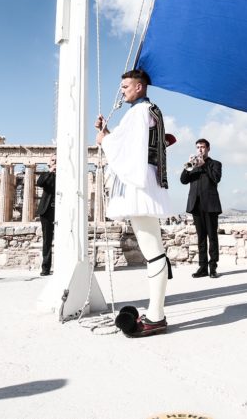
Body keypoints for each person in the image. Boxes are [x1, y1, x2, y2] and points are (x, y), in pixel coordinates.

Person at [95, 69, 175, 337]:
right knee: (154, 250)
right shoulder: (148, 110)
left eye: (126, 86)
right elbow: (130, 143)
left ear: (139, 87)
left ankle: (156, 316)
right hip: (147, 182)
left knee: (153, 252)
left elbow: (129, 150)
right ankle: (156, 312)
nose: (122, 91)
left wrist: (104, 139)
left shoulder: (139, 112)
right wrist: (108, 134)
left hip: (140, 187)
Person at [181, 138, 223, 278]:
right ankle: (203, 268)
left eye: (203, 147)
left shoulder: (215, 164)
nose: (200, 149)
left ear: (208, 149)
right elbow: (183, 180)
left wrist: (204, 165)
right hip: (196, 205)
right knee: (201, 238)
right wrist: (188, 167)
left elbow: (216, 178)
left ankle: (213, 268)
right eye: (198, 147)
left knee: (212, 237)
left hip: (210, 205)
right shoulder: (192, 165)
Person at [35, 155, 57, 276]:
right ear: (49, 163)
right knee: (47, 240)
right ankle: (46, 268)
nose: (55, 162)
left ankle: (62, 266)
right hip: (47, 211)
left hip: (60, 210)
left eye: (57, 160)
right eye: (53, 160)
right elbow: (40, 183)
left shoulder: (65, 175)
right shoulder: (45, 174)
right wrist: (50, 172)